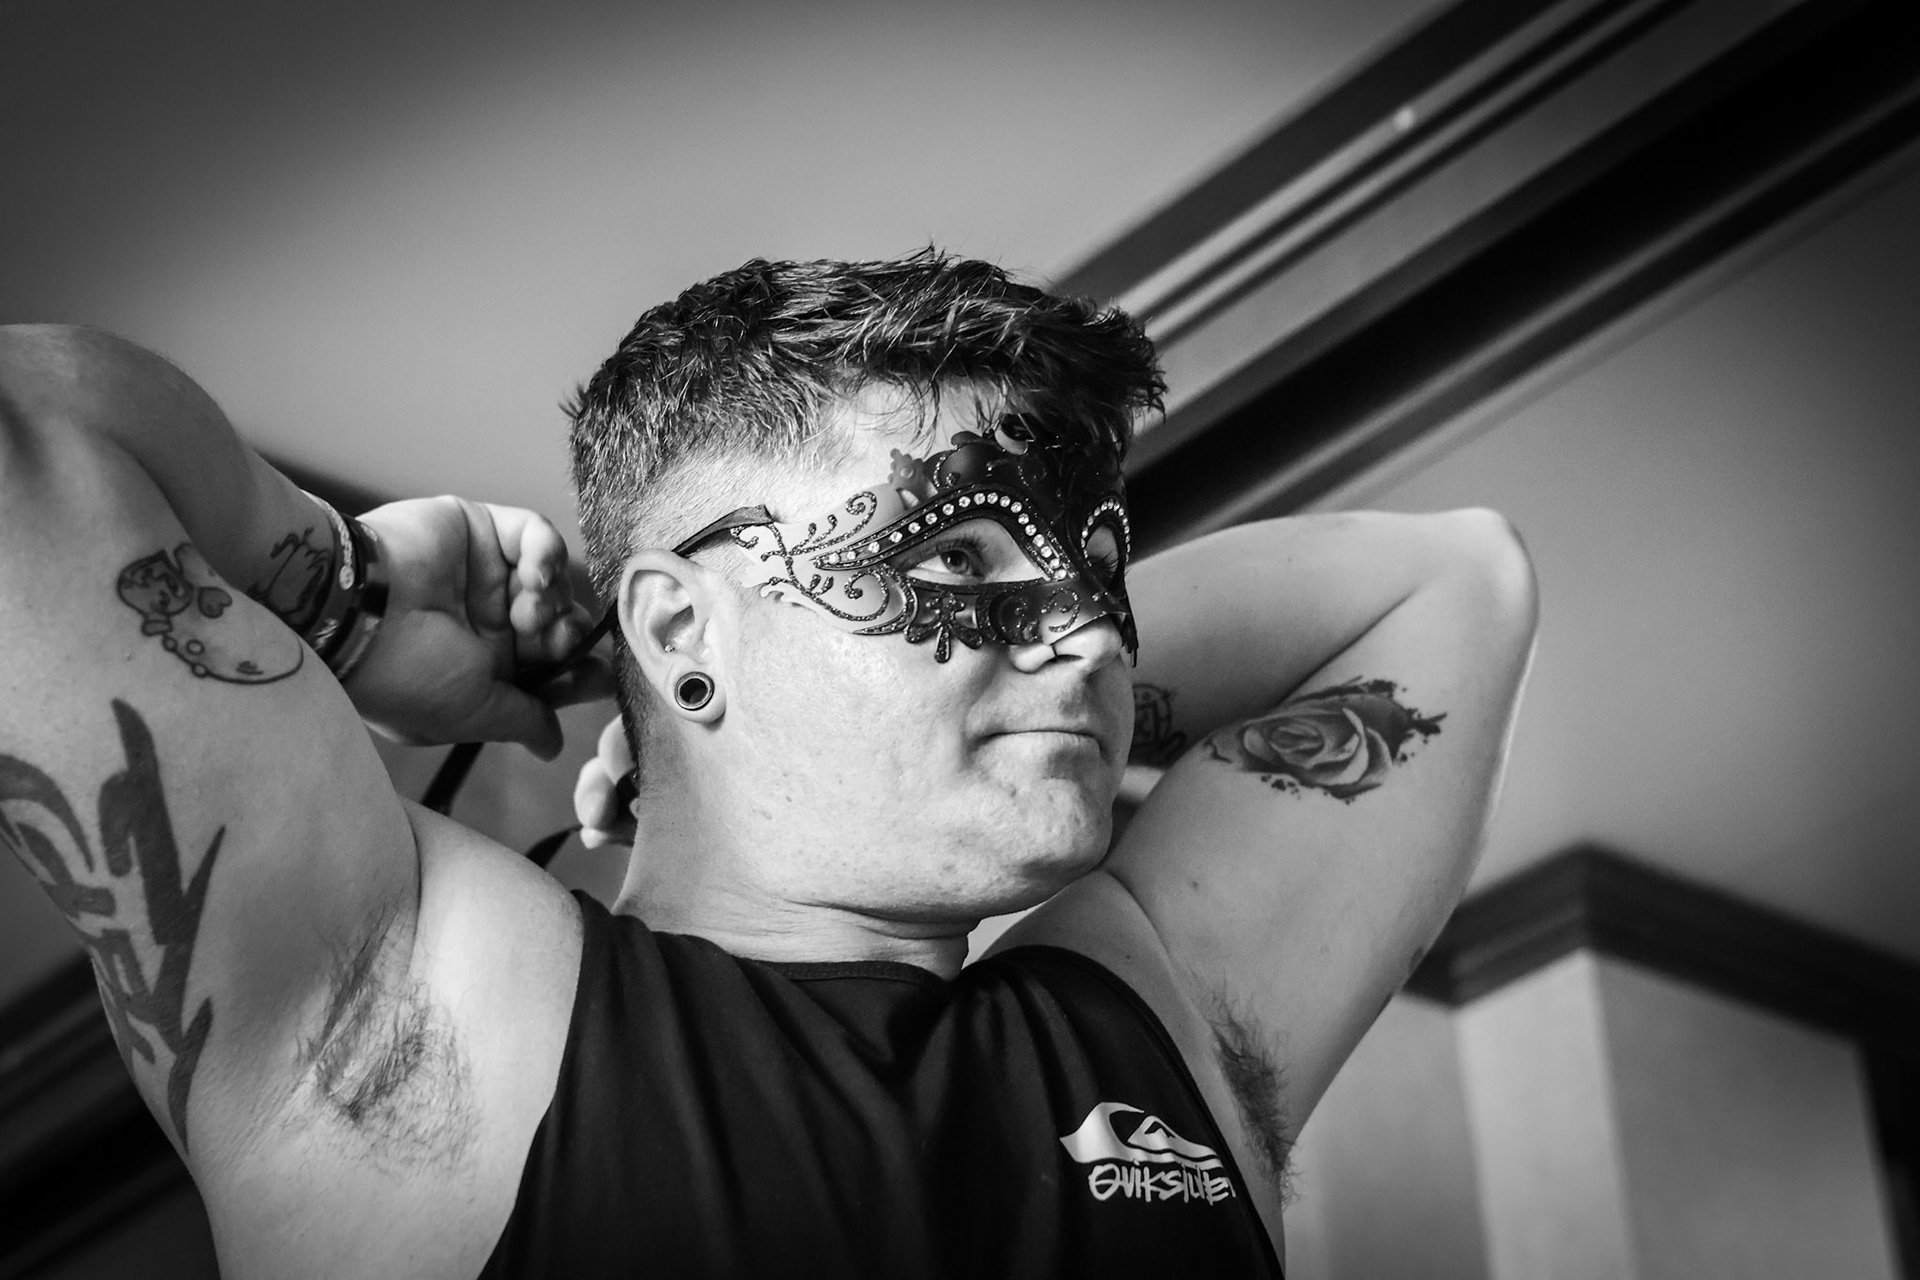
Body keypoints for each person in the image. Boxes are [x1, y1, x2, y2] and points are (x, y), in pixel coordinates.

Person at [0, 251, 1536, 1279]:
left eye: (1096, 569)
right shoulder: (421, 1010)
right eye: (961, 554)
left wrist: (707, 702)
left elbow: (1463, 576)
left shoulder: (1153, 1029)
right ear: (684, 627)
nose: (1087, 632)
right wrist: (347, 592)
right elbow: (30, 422)